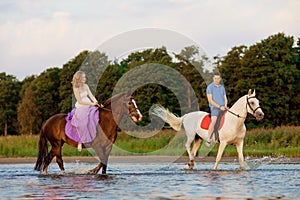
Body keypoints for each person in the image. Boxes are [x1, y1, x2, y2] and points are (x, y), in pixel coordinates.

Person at [71, 71, 102, 152]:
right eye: (83, 77)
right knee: (83, 123)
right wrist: (91, 103)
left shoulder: (86, 86)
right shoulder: (75, 88)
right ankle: (80, 141)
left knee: (97, 116)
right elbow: (80, 101)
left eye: (85, 77)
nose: (85, 79)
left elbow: (91, 96)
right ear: (79, 78)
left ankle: (95, 137)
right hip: (81, 106)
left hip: (89, 103)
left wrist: (96, 103)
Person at [205, 72, 228, 147]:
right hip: (215, 108)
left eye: (218, 78)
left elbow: (225, 98)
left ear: (220, 79)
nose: (216, 80)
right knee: (214, 121)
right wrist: (219, 107)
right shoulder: (210, 87)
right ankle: (208, 139)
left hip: (223, 107)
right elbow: (210, 100)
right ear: (213, 78)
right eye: (215, 78)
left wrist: (225, 105)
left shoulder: (222, 87)